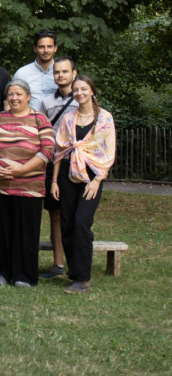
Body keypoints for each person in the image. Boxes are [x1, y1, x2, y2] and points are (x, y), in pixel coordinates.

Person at [0, 79, 54, 287]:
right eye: (11, 94)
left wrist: (22, 170)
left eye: (19, 94)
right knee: (1, 231)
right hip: (0, 186)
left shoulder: (40, 119)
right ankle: (1, 273)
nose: (14, 98)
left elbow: (47, 150)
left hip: (29, 187)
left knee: (25, 232)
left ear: (28, 97)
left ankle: (23, 276)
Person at [52, 75, 116, 294]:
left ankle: (83, 279)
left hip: (92, 175)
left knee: (81, 223)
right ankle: (74, 272)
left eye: (83, 89)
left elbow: (109, 152)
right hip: (68, 173)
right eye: (76, 90)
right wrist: (54, 181)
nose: (79, 93)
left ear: (92, 91)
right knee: (67, 224)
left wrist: (98, 180)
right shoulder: (69, 118)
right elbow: (60, 151)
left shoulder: (104, 118)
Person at [38, 57, 79, 280]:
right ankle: (58, 264)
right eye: (57, 72)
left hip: (76, 163)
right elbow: (43, 131)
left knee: (74, 214)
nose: (61, 75)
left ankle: (76, 263)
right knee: (54, 213)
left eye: (65, 71)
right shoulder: (47, 102)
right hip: (52, 162)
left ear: (74, 73)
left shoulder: (83, 98)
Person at [13, 29, 58, 111]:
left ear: (55, 48)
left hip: (58, 118)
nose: (46, 50)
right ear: (35, 48)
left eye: (49, 46)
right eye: (41, 47)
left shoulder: (63, 73)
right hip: (29, 118)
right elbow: (12, 100)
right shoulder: (22, 74)